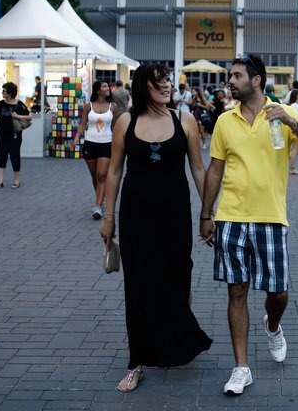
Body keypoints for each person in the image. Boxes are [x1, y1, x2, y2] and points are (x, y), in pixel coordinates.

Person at [199, 54, 298, 396]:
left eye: (237, 75)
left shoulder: (283, 114)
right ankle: (241, 367)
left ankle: (273, 325)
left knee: (278, 292)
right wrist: (206, 214)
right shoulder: (226, 121)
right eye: (231, 75)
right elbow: (214, 169)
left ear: (256, 80)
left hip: (271, 217)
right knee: (236, 290)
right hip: (231, 218)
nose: (231, 80)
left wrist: (292, 121)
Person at [98, 62, 212, 393]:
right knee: (139, 285)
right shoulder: (126, 122)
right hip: (136, 217)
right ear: (142, 86)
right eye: (159, 82)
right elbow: (115, 171)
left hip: (176, 215)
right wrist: (109, 217)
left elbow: (199, 169)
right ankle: (137, 362)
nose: (167, 86)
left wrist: (208, 213)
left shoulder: (184, 119)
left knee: (178, 277)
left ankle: (174, 338)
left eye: (168, 81)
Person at [77, 81, 114, 220]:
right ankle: (101, 199)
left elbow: (115, 127)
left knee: (101, 175)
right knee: (95, 177)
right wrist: (76, 137)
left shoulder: (113, 107)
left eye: (107, 86)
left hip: (106, 143)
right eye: (104, 86)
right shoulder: (88, 106)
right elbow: (82, 124)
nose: (108, 88)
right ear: (98, 90)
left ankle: (97, 206)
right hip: (90, 144)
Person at [0, 82, 32, 189]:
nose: (2, 92)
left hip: (15, 135)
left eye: (4, 90)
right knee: (1, 156)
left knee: (14, 156)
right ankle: (0, 181)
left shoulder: (19, 104)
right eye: (2, 90)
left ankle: (16, 180)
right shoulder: (0, 104)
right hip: (1, 134)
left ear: (10, 92)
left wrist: (18, 116)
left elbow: (29, 117)